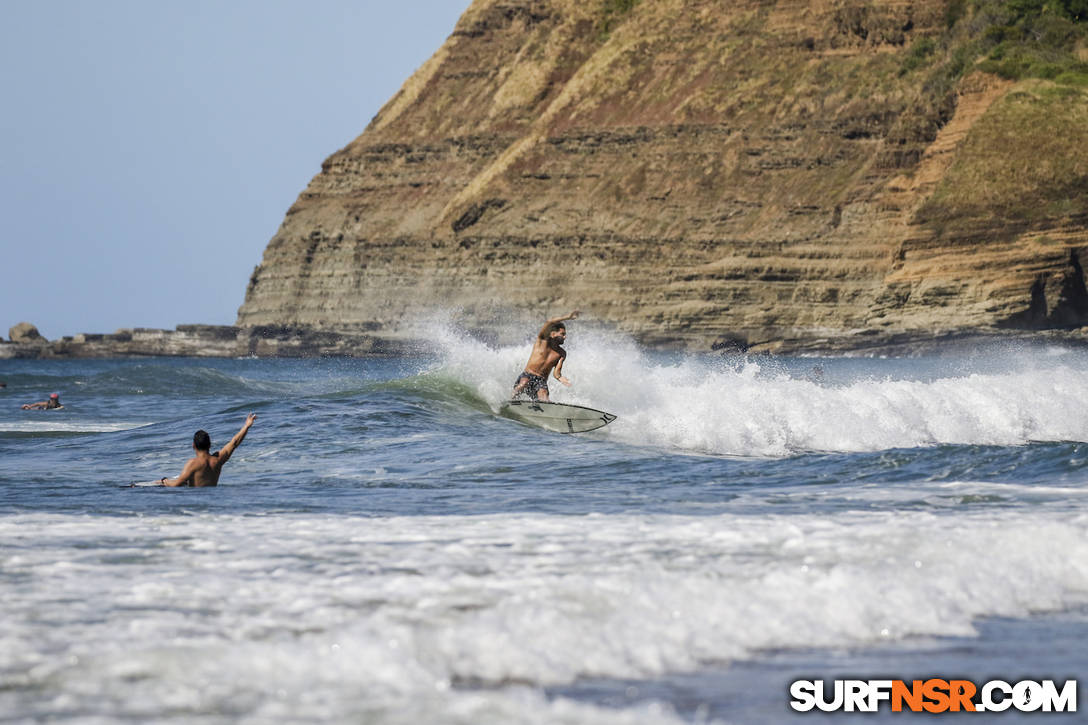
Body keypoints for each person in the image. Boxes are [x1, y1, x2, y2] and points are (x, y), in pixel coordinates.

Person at [160, 414, 257, 487]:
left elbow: (177, 484)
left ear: (193, 445)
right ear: (209, 445)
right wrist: (246, 426)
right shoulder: (218, 460)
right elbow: (234, 442)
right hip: (213, 499)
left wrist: (165, 481)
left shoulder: (192, 463)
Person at [512, 310, 580, 401]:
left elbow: (557, 373)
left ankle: (546, 411)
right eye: (562, 334)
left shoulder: (561, 353)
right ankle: (511, 401)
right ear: (553, 334)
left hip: (541, 380)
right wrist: (568, 317)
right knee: (524, 383)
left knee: (544, 395)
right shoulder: (542, 340)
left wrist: (561, 378)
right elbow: (549, 322)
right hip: (528, 375)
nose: (565, 337)